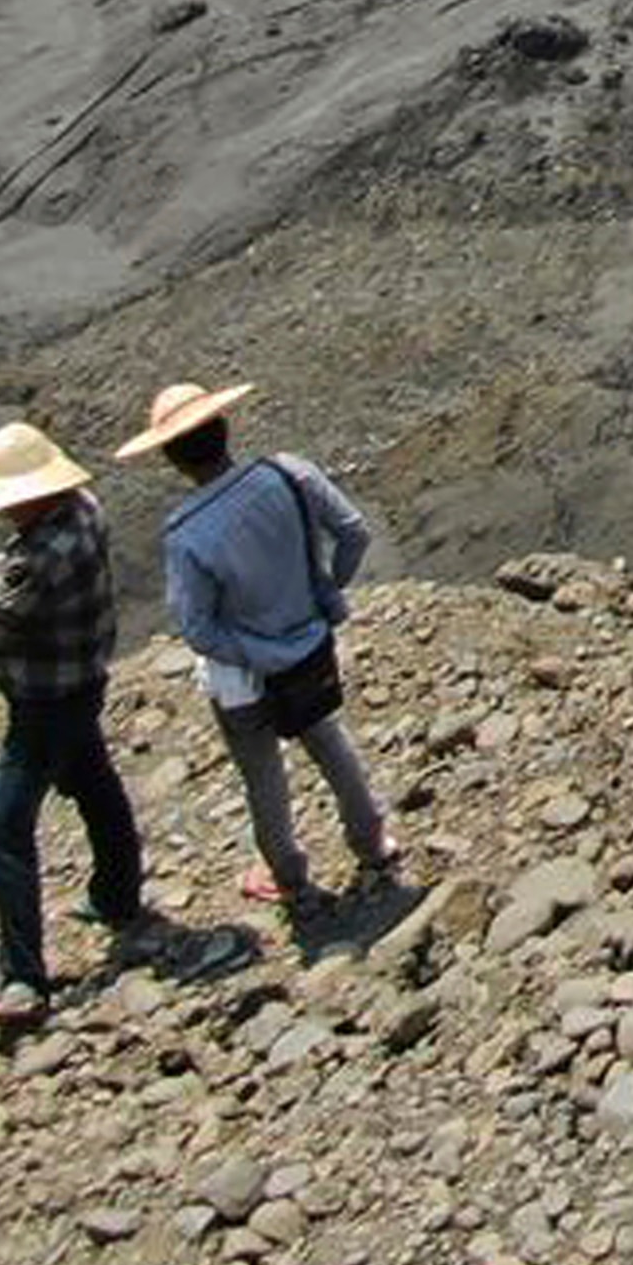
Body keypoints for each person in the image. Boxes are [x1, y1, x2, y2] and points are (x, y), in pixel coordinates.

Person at [122, 379, 400, 921]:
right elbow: (353, 532)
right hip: (310, 645)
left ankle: (290, 879)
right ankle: (372, 843)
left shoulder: (186, 535)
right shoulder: (287, 474)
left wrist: (255, 650)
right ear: (224, 428)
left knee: (262, 776)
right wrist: (324, 592)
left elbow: (197, 629)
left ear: (172, 459)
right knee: (327, 739)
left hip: (244, 680)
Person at [0, 419, 151, 1026]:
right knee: (94, 785)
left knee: (0, 836)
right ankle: (118, 897)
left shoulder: (39, 559)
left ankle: (23, 981)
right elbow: (2, 577)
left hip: (43, 703)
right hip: (84, 679)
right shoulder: (84, 509)